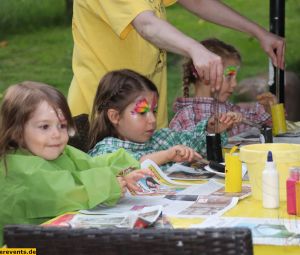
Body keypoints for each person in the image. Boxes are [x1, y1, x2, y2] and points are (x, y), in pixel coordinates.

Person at [68, 0, 285, 129]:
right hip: (102, 120)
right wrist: (195, 49)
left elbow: (197, 2)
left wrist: (258, 32)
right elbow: (147, 25)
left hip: (144, 116)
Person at [0, 81, 152, 245]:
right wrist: (113, 184)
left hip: (52, 242)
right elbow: (66, 191)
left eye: (62, 125)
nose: (56, 134)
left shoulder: (60, 151)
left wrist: (124, 167)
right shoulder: (17, 167)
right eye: (45, 127)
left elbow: (91, 164)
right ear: (16, 132)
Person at [88, 69, 237, 170]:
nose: (152, 119)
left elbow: (197, 144)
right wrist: (166, 156)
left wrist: (212, 130)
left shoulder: (161, 139)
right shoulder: (105, 152)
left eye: (154, 110)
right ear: (115, 116)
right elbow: (127, 166)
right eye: (142, 113)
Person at [169, 38, 277, 136]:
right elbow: (187, 150)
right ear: (205, 74)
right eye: (229, 77)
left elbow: (260, 126)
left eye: (235, 78)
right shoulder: (186, 116)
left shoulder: (230, 109)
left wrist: (267, 109)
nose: (234, 84)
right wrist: (211, 129)